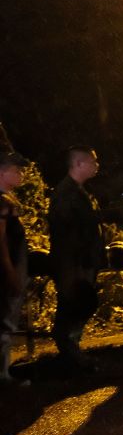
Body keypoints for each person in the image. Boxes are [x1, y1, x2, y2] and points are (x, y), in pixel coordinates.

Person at [47, 146, 109, 369]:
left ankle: (71, 354)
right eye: (93, 161)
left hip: (82, 262)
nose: (97, 166)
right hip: (73, 264)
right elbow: (66, 236)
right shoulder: (67, 195)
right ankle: (69, 355)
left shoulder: (79, 192)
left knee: (79, 304)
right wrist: (74, 267)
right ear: (79, 164)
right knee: (73, 305)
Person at [0, 151, 29, 386]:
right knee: (5, 322)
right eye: (16, 170)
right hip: (5, 273)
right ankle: (2, 374)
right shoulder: (3, 203)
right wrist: (10, 272)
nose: (21, 174)